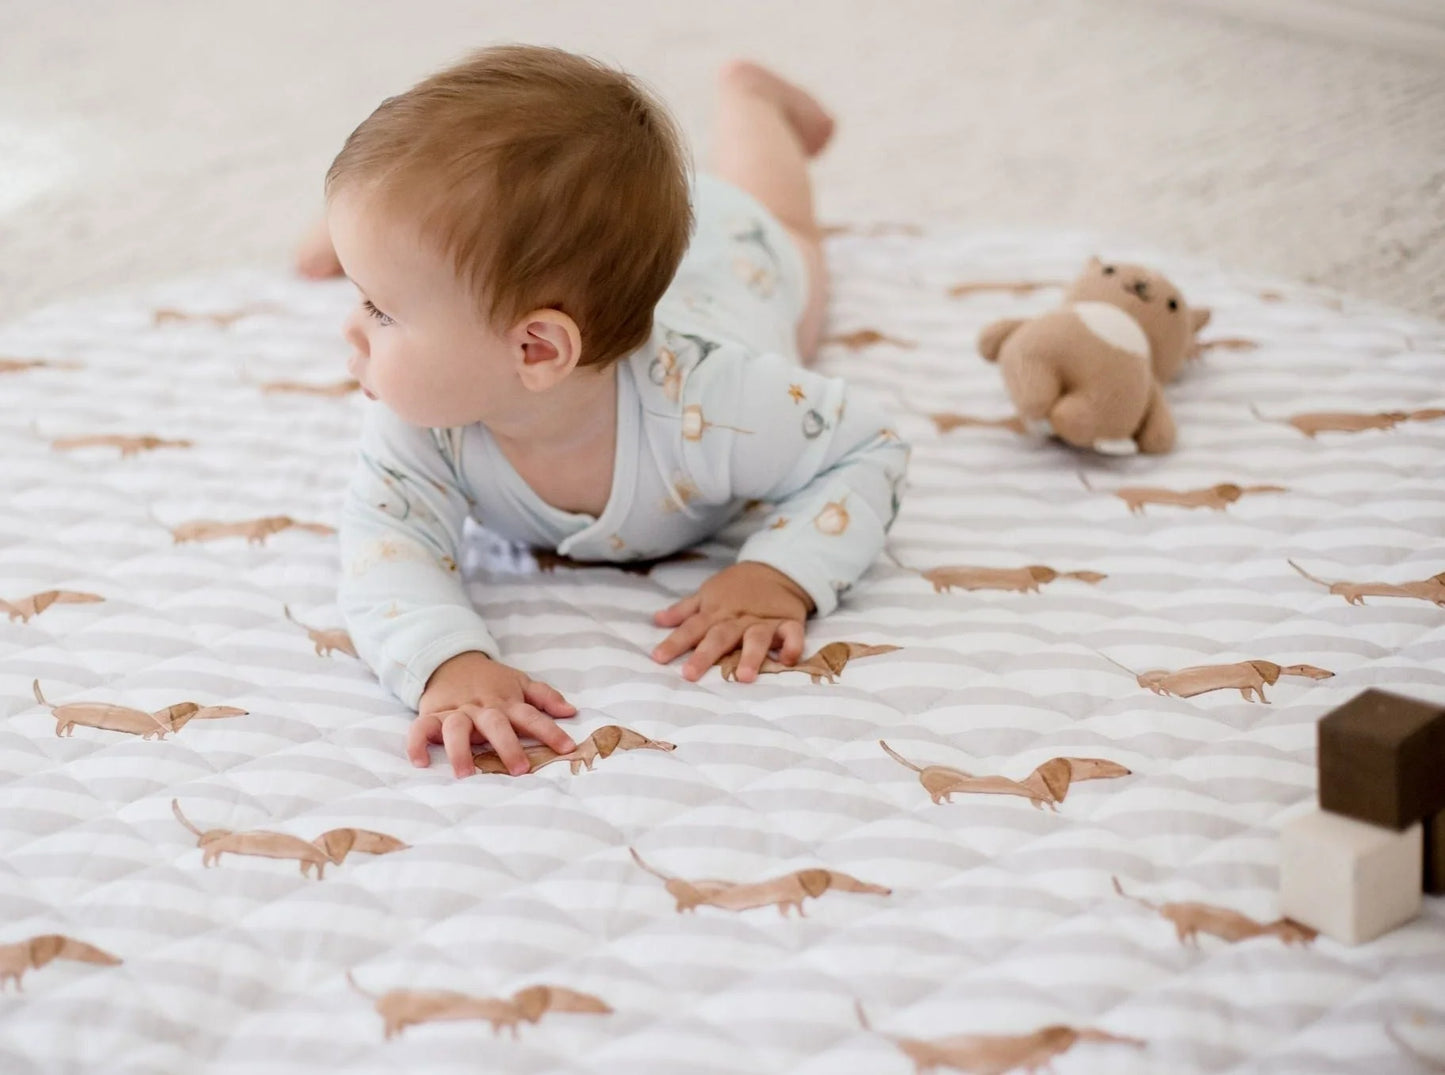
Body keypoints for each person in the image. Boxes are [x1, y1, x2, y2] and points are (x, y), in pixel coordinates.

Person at [303, 45, 909, 778]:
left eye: (378, 309)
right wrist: (445, 660)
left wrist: (780, 575)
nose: (348, 330)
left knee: (786, 226)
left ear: (535, 349)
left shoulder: (715, 406)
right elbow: (386, 543)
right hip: (597, 271)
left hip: (733, 265)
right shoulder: (423, 423)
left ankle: (752, 99)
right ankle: (381, 240)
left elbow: (865, 448)